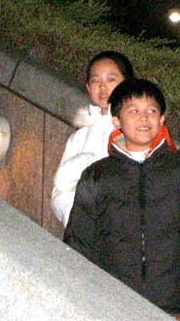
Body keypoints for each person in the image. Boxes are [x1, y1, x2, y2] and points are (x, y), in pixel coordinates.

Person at [64, 78, 180, 321]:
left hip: (171, 310)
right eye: (133, 111)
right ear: (117, 121)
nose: (144, 118)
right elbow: (78, 243)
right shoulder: (98, 175)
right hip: (111, 310)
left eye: (151, 111)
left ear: (162, 120)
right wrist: (75, 305)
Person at [51, 50, 134, 226]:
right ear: (88, 87)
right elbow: (59, 192)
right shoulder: (79, 137)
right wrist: (76, 217)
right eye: (96, 80)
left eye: (111, 79)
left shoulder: (138, 131)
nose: (102, 87)